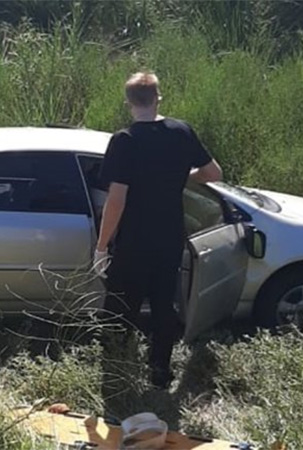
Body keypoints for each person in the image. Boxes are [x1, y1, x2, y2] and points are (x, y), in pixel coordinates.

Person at [93, 71, 223, 389]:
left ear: (128, 104)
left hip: (133, 242)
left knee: (122, 307)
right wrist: (179, 177)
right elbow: (213, 173)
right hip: (169, 238)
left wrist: (101, 246)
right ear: (158, 98)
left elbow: (116, 201)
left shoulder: (125, 141)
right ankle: (160, 374)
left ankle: (115, 373)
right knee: (164, 306)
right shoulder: (181, 132)